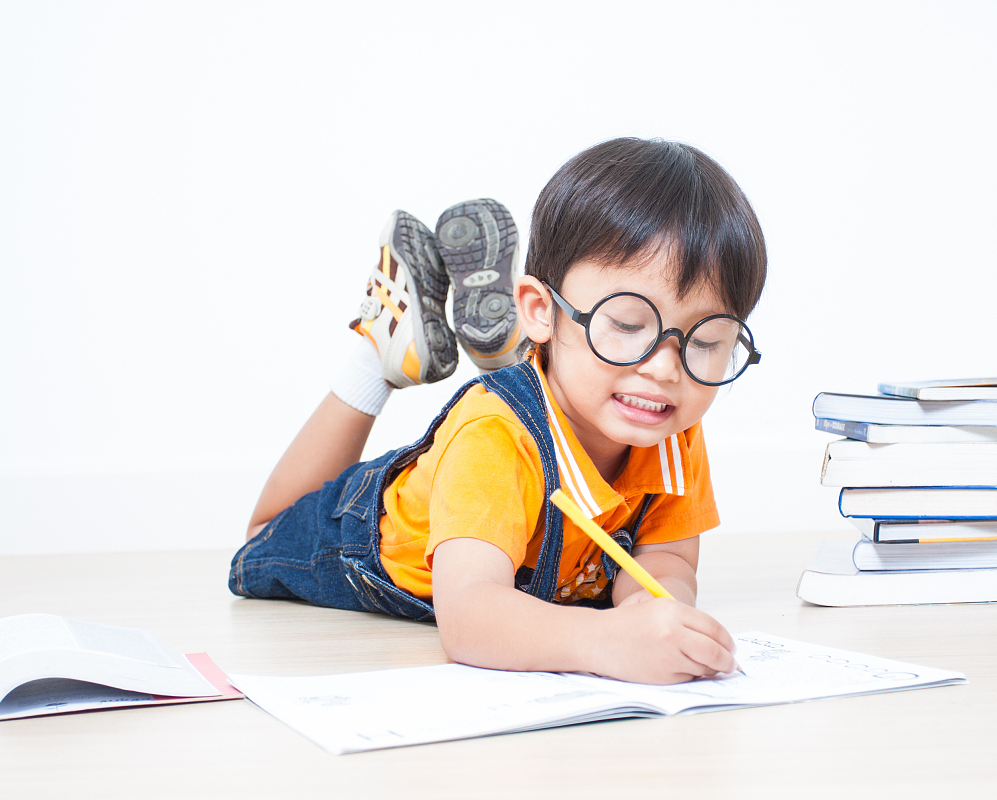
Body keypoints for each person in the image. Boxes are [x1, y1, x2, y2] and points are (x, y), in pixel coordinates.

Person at [229, 138, 767, 685]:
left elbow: (667, 559)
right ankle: (378, 354)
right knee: (261, 535)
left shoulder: (670, 425)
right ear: (540, 309)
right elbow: (470, 619)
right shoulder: (492, 437)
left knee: (535, 421)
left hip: (506, 456)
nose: (666, 368)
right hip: (363, 538)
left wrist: (655, 613)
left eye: (706, 341)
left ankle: (532, 364)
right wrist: (608, 640)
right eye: (627, 325)